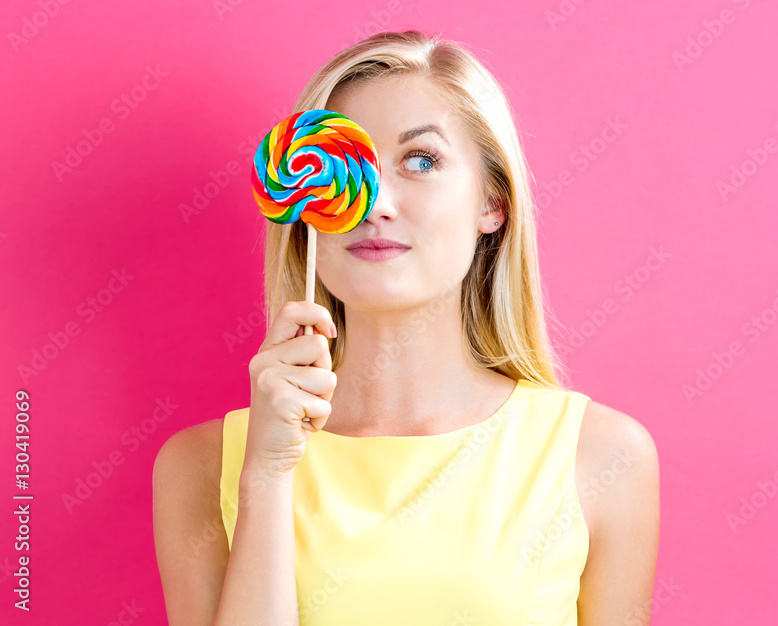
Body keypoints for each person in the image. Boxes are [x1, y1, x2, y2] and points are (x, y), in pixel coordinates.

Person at [153, 30, 659, 625]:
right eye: (344, 165)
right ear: (301, 194)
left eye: (421, 161)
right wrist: (266, 475)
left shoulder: (600, 455)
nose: (375, 203)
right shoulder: (202, 466)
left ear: (491, 204)